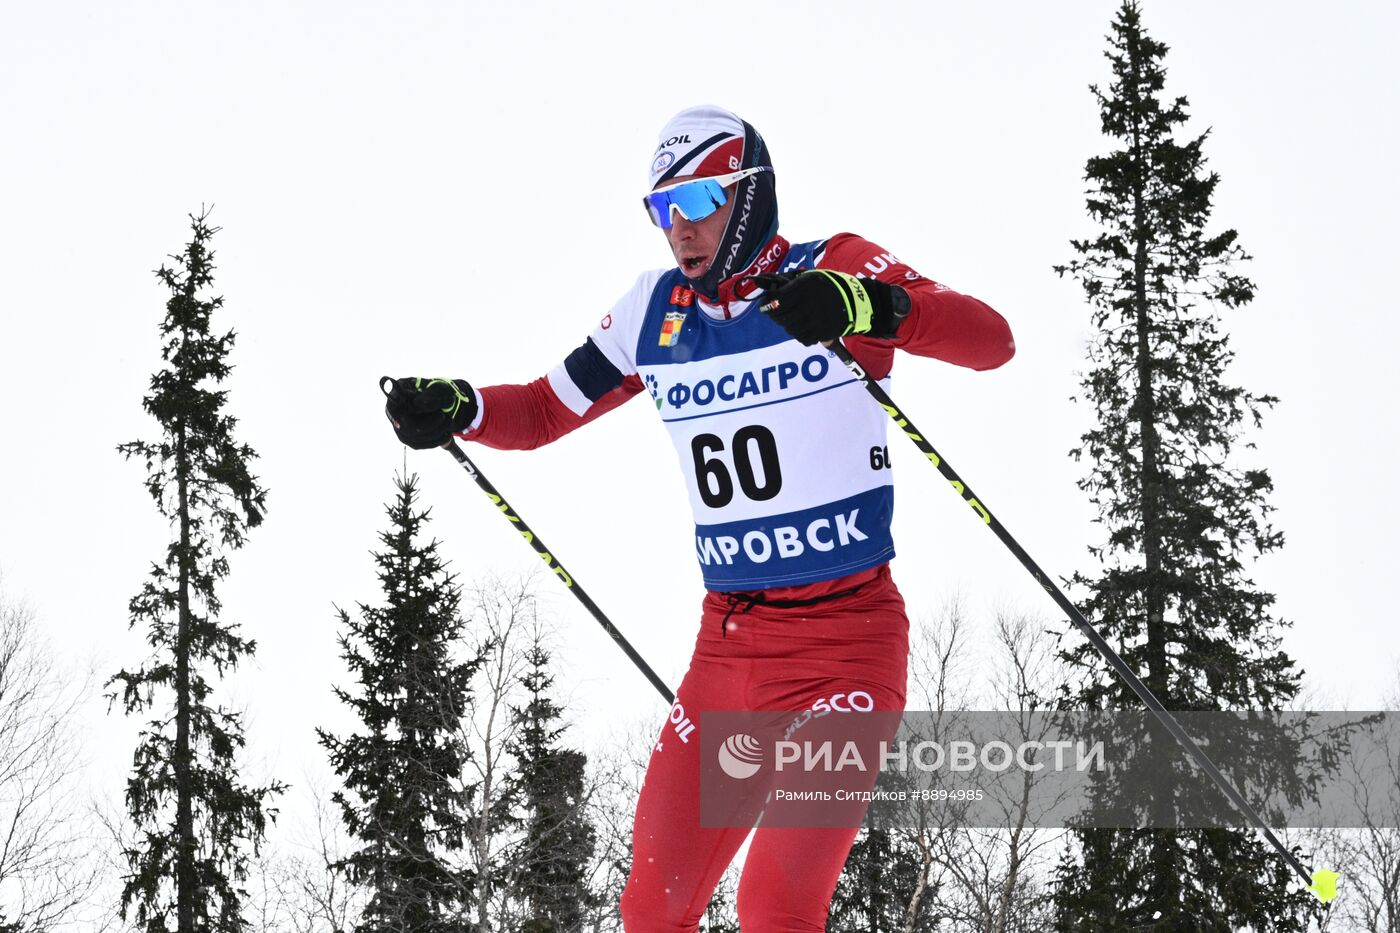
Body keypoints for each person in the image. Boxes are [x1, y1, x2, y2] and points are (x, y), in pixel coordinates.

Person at [384, 105, 1014, 933]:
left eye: (698, 203)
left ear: (749, 196)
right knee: (653, 907)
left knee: (775, 905)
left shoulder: (835, 268)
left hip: (847, 651)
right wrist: (461, 407)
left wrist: (868, 308)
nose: (677, 230)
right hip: (728, 654)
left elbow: (991, 341)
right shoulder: (656, 310)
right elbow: (541, 410)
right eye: (661, 209)